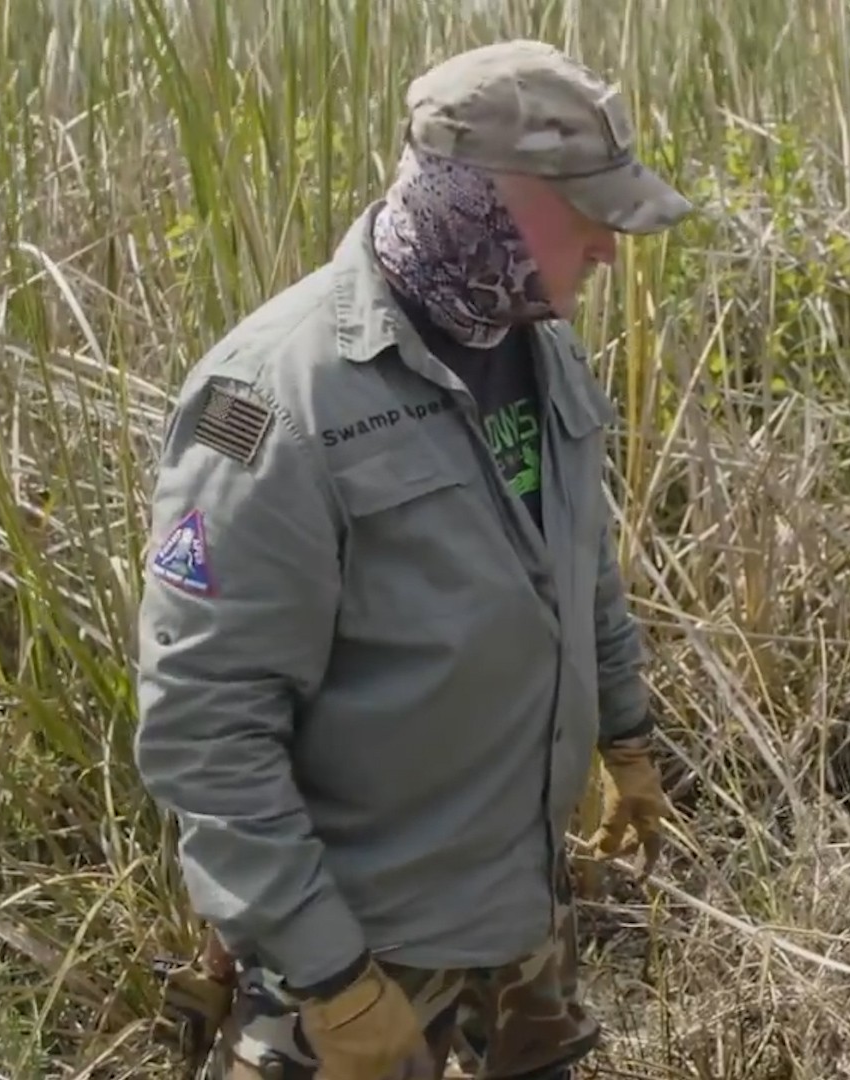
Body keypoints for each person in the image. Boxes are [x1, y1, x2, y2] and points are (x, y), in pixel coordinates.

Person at [133, 39, 691, 1080]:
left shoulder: (541, 345)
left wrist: (626, 736)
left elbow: (579, 562)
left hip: (522, 911)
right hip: (360, 951)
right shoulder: (270, 404)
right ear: (478, 202)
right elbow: (205, 728)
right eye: (581, 217)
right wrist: (333, 981)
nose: (608, 250)